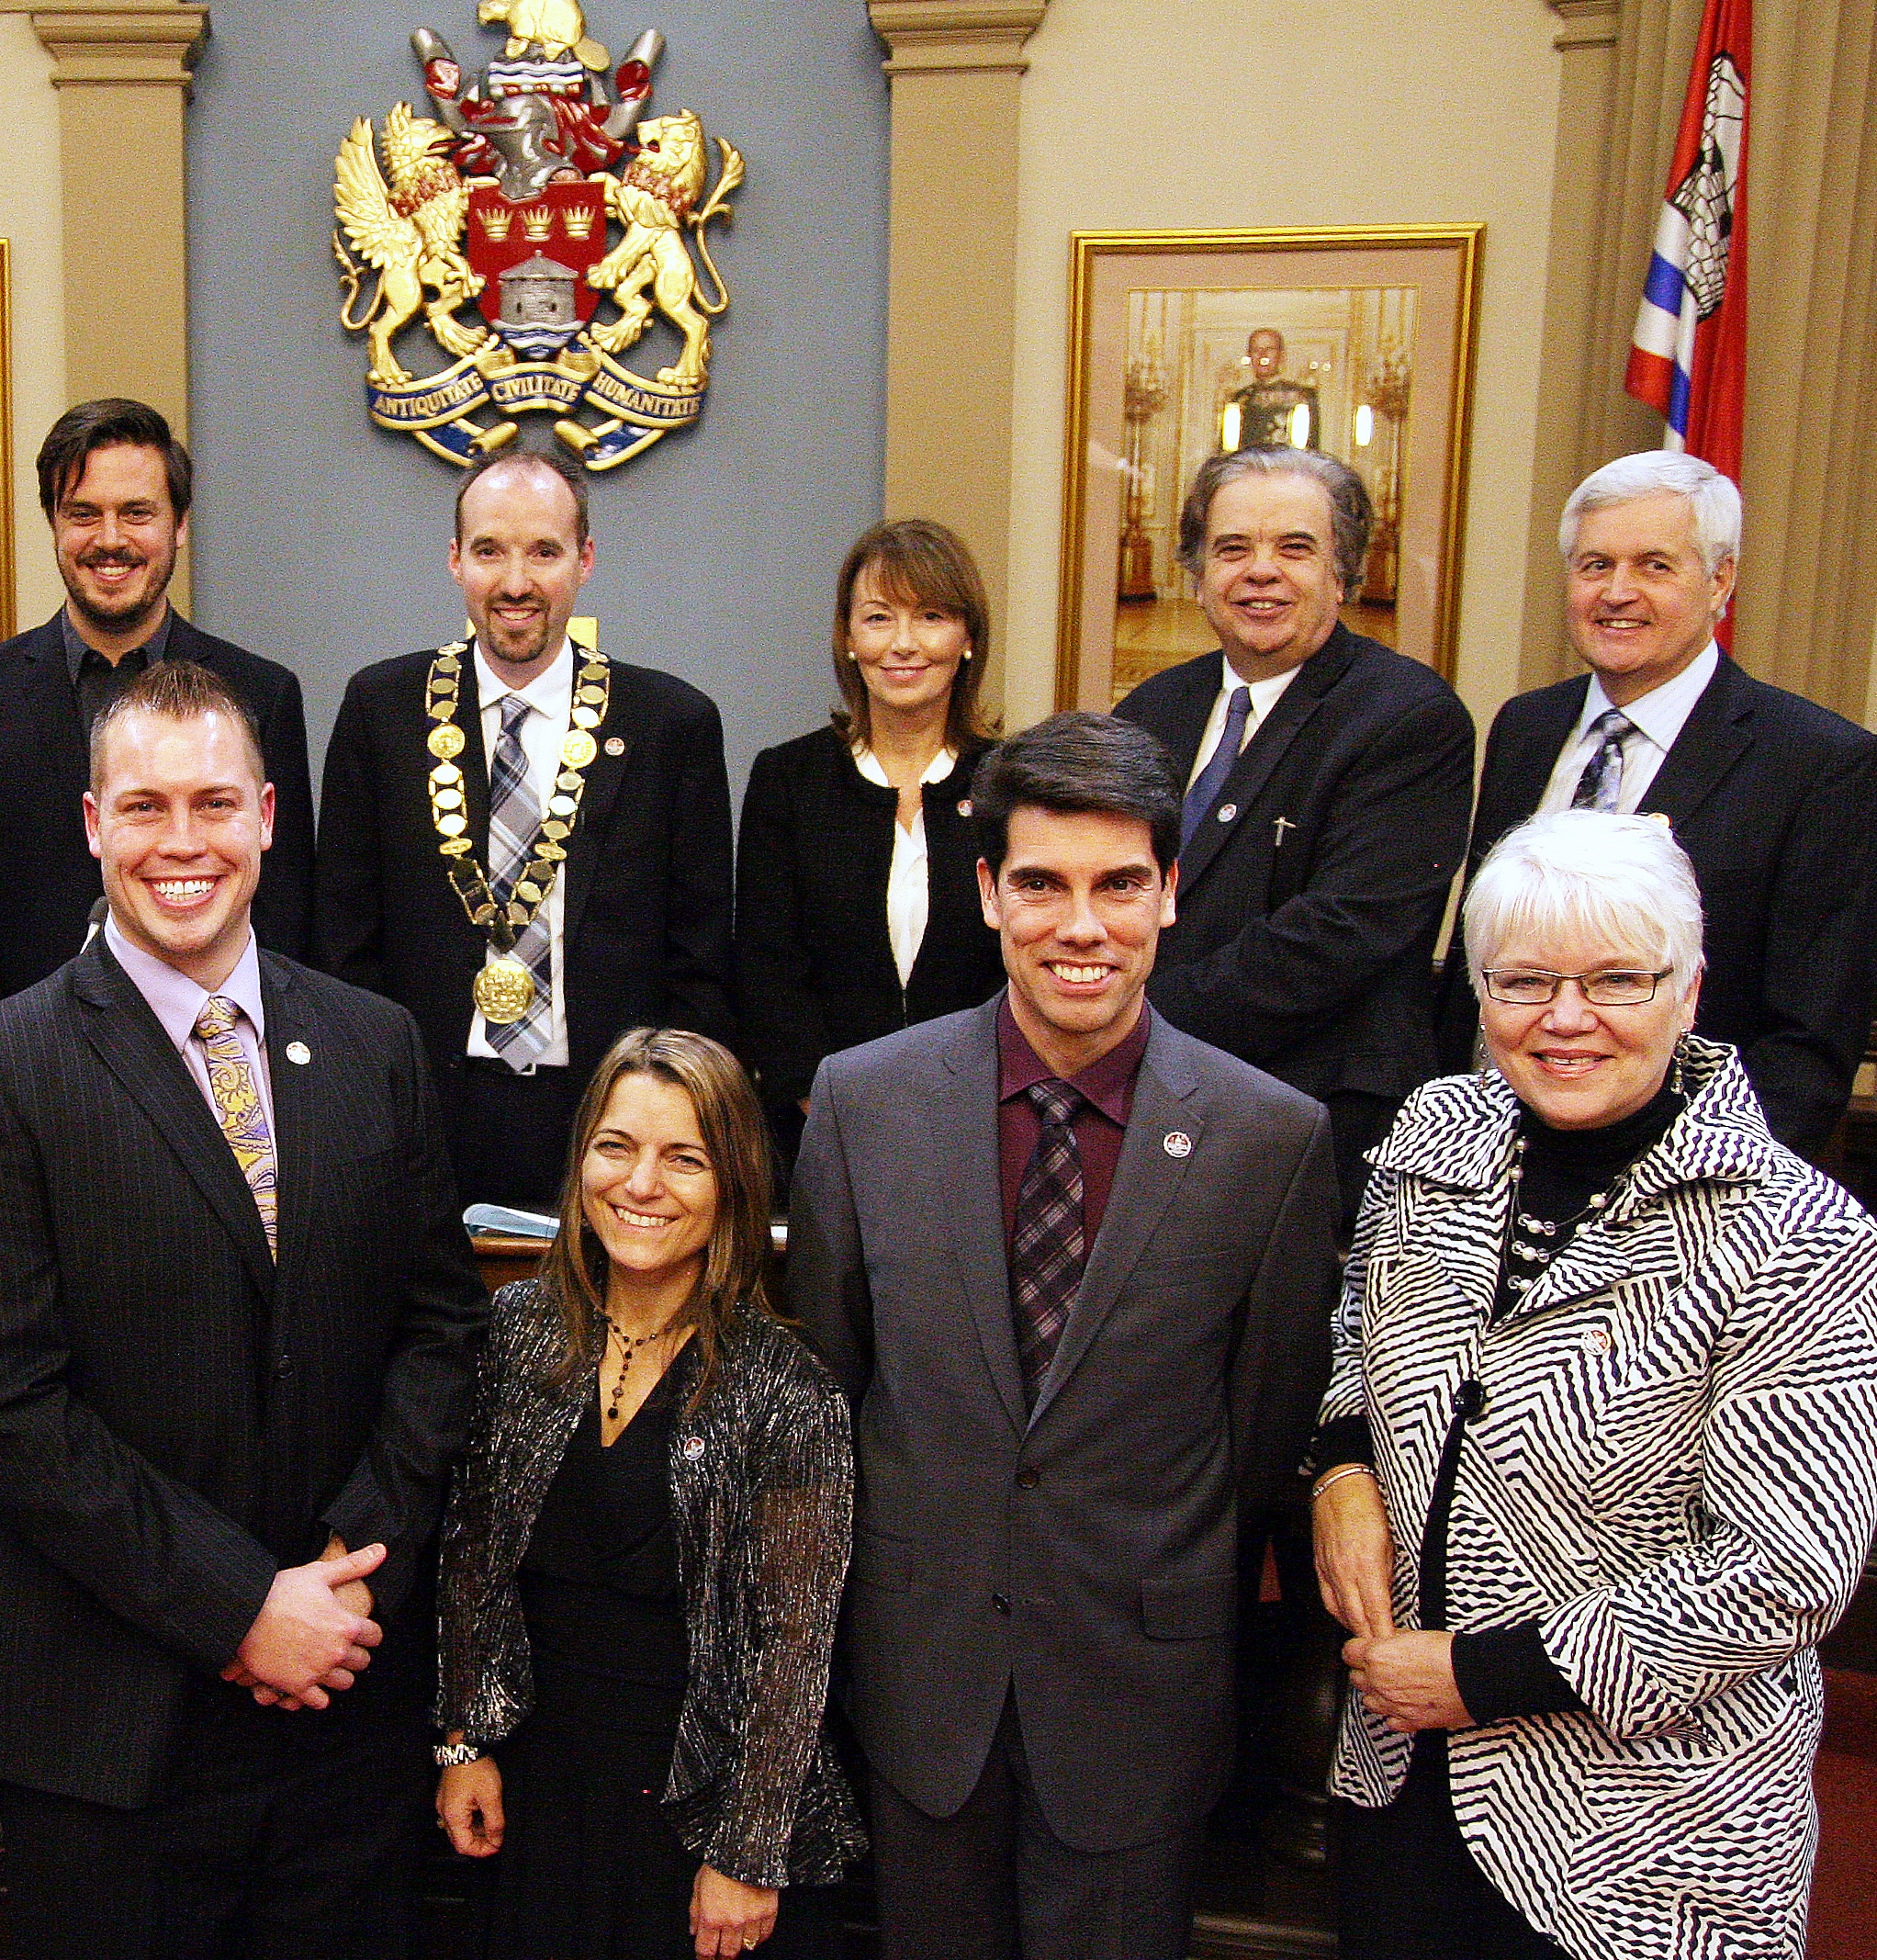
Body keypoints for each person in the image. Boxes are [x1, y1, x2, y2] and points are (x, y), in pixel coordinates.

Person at [0, 658, 485, 1960]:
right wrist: (238, 1607)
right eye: (147, 806)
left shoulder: (374, 1041)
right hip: (113, 1736)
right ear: (94, 822)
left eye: (215, 805)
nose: (185, 843)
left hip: (342, 1709)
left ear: (268, 818)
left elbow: (441, 1329)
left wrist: (336, 1589)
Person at [788, 712, 1342, 1960]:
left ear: (1170, 894)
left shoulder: (1271, 1139)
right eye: (1041, 883)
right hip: (925, 1681)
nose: (1079, 925)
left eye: (1118, 885)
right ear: (986, 892)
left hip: (1138, 1690)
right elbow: (835, 1389)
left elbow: (1256, 1436)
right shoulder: (860, 1104)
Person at [1315, 806, 1877, 1959]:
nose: (1565, 1020)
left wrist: (1481, 1672)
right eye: (1522, 981)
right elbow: (1357, 1330)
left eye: (1617, 978)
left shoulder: (1797, 1233)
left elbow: (1786, 1574)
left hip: (1643, 1833)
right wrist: (1341, 1467)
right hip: (1401, 1774)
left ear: (1690, 984)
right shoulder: (1437, 1131)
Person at [434, 1028, 863, 1960]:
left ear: (736, 1184)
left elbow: (796, 1648)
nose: (640, 1185)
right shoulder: (511, 1331)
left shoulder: (786, 1387)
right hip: (540, 1786)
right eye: (616, 1147)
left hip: (700, 1807)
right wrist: (462, 1741)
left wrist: (748, 1851)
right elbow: (469, 1557)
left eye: (684, 1158)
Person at [315, 443, 735, 1211]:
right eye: (489, 551)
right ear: (453, 560)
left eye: (543, 551)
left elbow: (699, 963)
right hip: (423, 1115)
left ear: (585, 559)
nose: (515, 582)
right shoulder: (381, 710)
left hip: (611, 1127)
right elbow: (345, 943)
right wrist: (375, 1106)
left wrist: (662, 1126)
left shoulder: (670, 725)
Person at [1433, 451, 1877, 1157]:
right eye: (1594, 565)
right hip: (1489, 1157)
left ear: (1718, 580)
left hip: (1685, 1179)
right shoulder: (1524, 728)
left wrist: (1694, 1187)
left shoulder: (1818, 763)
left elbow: (1808, 1042)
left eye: (1654, 565)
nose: (1617, 591)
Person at [1112, 445, 1474, 1200]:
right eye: (1232, 548)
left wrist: (1124, 1026)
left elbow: (1340, 934)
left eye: (1294, 548)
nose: (1259, 571)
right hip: (1142, 1109)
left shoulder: (1408, 718)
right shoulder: (1150, 712)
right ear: (1198, 573)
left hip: (1312, 1118)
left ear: (1344, 573)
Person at [0, 397, 313, 1026]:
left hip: (213, 1056)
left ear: (179, 524)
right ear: (52, 522)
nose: (109, 540)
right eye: (83, 514)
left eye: (136, 513)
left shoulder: (260, 694)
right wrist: (9, 1061)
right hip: (24, 1069)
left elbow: (284, 914)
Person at [735, 517, 1005, 1168]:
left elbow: (1019, 968)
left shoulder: (1013, 784)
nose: (903, 645)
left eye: (931, 617)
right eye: (879, 618)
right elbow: (766, 969)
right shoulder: (787, 779)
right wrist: (829, 1105)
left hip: (982, 1129)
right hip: (817, 1135)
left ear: (967, 638)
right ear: (849, 638)